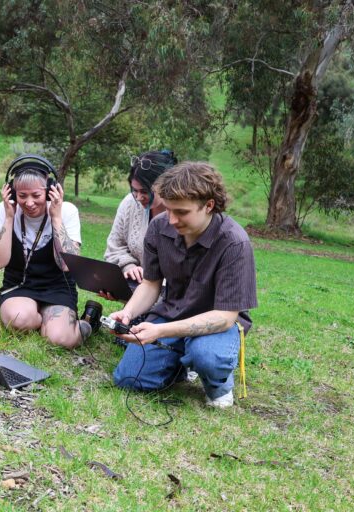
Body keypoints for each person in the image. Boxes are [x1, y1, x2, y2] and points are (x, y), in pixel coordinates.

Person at [109, 162, 257, 408]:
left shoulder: (234, 243)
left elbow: (225, 317)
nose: (172, 219)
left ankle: (218, 382)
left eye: (182, 212)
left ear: (209, 205)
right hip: (171, 313)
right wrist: (128, 313)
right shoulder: (159, 228)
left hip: (217, 325)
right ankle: (179, 364)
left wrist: (160, 332)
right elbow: (150, 284)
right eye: (167, 209)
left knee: (207, 356)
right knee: (129, 379)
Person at [0, 156, 102, 349]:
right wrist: (8, 217)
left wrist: (56, 218)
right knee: (19, 321)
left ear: (49, 192)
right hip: (19, 285)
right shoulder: (6, 209)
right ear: (13, 194)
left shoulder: (67, 211)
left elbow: (67, 265)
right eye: (22, 196)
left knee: (58, 339)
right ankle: (41, 318)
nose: (29, 203)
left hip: (57, 286)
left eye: (36, 195)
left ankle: (86, 324)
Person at [102, 150, 177, 296]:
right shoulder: (129, 203)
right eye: (134, 190)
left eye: (145, 191)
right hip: (140, 295)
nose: (138, 197)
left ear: (166, 185)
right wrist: (128, 266)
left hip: (174, 301)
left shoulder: (183, 213)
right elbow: (115, 246)